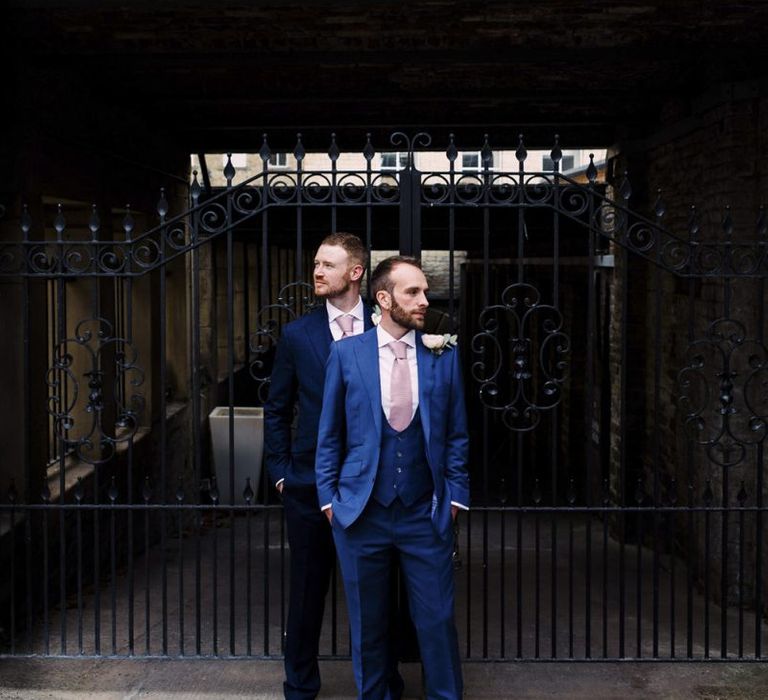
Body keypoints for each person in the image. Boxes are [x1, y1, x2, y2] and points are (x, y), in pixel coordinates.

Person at [316, 255, 469, 700]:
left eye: (424, 291)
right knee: (369, 624)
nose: (424, 300)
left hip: (426, 513)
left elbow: (457, 434)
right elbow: (330, 435)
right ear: (383, 299)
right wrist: (329, 500)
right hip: (362, 514)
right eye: (413, 292)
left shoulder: (442, 354)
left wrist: (456, 497)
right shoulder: (346, 354)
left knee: (437, 621)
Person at [264, 233, 406, 700]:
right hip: (307, 485)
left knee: (379, 594)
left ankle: (385, 682)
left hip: (375, 485)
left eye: (328, 264)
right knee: (306, 594)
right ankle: (300, 688)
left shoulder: (388, 325)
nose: (317, 271)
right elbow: (277, 407)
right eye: (316, 263)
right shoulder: (297, 335)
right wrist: (282, 471)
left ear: (356, 272)